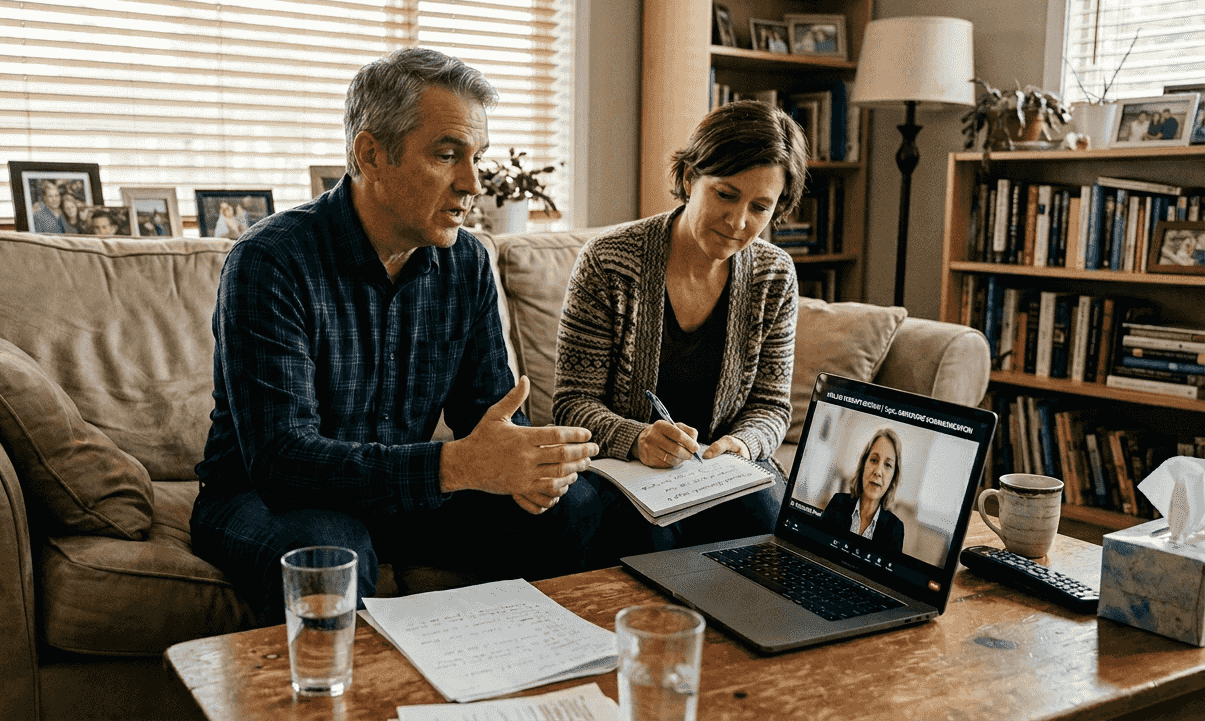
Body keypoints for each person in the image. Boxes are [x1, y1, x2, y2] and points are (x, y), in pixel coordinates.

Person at [190, 47, 602, 623]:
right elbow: (282, 462)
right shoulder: (270, 261)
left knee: (577, 505)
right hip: (264, 499)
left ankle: (539, 689)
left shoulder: (467, 264)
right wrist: (454, 467)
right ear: (371, 153)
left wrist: (525, 463)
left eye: (476, 157)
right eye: (446, 155)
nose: (472, 182)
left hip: (406, 496)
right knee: (330, 544)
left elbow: (489, 420)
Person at [552, 100, 807, 563]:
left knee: (769, 525)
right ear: (690, 178)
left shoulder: (775, 276)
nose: (738, 222)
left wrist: (742, 444)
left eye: (760, 206)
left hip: (719, 471)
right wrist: (636, 438)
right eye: (725, 195)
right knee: (651, 540)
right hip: (622, 469)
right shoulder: (609, 262)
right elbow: (571, 404)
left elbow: (771, 406)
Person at [820, 427, 906, 555]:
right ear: (863, 465)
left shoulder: (895, 529)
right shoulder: (837, 502)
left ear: (894, 477)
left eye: (888, 465)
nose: (877, 472)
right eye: (874, 460)